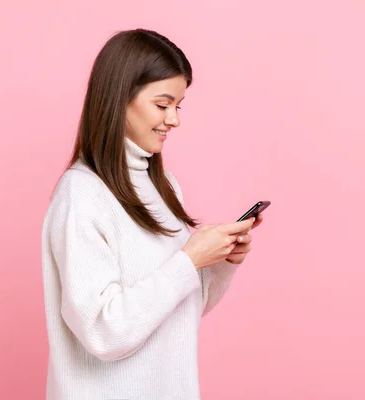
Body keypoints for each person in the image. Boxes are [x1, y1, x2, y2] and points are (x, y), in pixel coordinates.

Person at [41, 28, 264, 400]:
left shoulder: (163, 187)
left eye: (178, 106)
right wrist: (188, 260)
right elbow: (103, 331)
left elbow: (178, 309)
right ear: (119, 99)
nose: (173, 120)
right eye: (162, 105)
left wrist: (220, 263)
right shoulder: (81, 195)